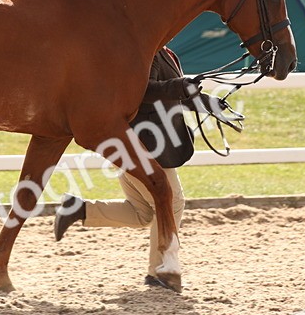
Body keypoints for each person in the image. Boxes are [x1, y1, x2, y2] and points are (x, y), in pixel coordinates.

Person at [53, 47, 215, 291]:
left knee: (143, 213)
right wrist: (177, 87)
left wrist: (205, 102)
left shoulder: (166, 54)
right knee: (173, 203)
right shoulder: (142, 53)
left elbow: (175, 92)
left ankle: (79, 210)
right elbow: (141, 90)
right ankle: (161, 271)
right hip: (142, 146)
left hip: (153, 146)